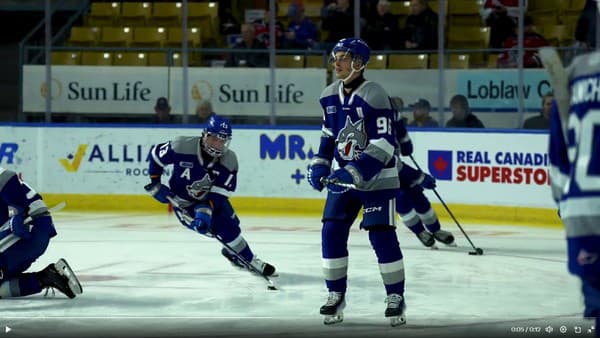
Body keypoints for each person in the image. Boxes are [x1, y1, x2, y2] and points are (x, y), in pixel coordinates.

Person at [307, 37, 406, 327]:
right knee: (331, 233)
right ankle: (335, 294)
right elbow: (328, 137)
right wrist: (320, 164)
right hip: (345, 179)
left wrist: (351, 172)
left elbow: (385, 145)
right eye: (335, 57)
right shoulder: (328, 96)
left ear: (359, 63)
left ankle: (395, 296)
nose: (336, 62)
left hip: (378, 180)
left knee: (381, 236)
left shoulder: (374, 94)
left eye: (343, 57)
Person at [144, 114, 276, 278]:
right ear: (205, 135)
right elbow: (156, 156)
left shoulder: (229, 160)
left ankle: (232, 253)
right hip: (183, 204)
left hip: (211, 202)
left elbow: (218, 196)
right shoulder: (181, 146)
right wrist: (155, 182)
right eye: (214, 139)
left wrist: (205, 211)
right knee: (224, 230)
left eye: (223, 141)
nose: (218, 145)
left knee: (233, 225)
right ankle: (248, 260)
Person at [548, 38, 600, 333]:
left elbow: (558, 158)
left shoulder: (576, 71)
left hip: (582, 214)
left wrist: (563, 205)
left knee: (595, 306)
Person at [0, 167, 82, 299]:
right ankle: (47, 277)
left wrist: (16, 211)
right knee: (1, 288)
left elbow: (6, 176)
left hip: (30, 227)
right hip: (30, 236)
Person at [393, 119, 455, 248]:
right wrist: (419, 177)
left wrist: (404, 141)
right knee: (400, 198)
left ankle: (435, 229)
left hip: (395, 167)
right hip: (377, 173)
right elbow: (392, 164)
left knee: (416, 194)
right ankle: (420, 232)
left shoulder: (387, 108)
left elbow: (398, 125)